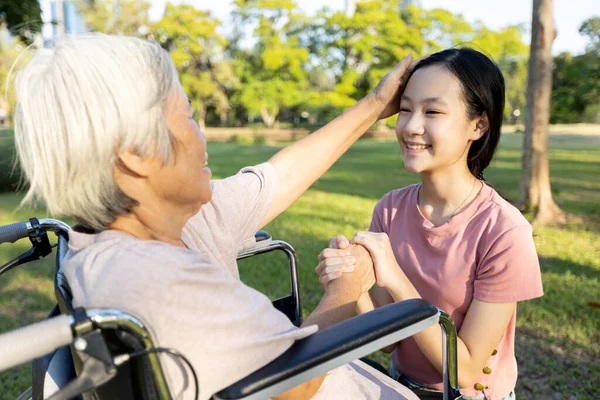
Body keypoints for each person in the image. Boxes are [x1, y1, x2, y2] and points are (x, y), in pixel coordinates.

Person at [12, 34, 420, 400]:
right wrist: (349, 285)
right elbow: (294, 385)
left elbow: (278, 179)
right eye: (188, 117)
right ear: (135, 155)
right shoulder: (163, 282)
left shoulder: (168, 223)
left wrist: (374, 105)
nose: (201, 136)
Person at [315, 48, 544, 400]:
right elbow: (389, 342)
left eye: (432, 111)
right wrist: (348, 281)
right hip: (399, 388)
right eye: (405, 109)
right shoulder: (390, 209)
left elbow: (464, 370)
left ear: (478, 125)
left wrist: (394, 276)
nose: (410, 126)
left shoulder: (504, 230)